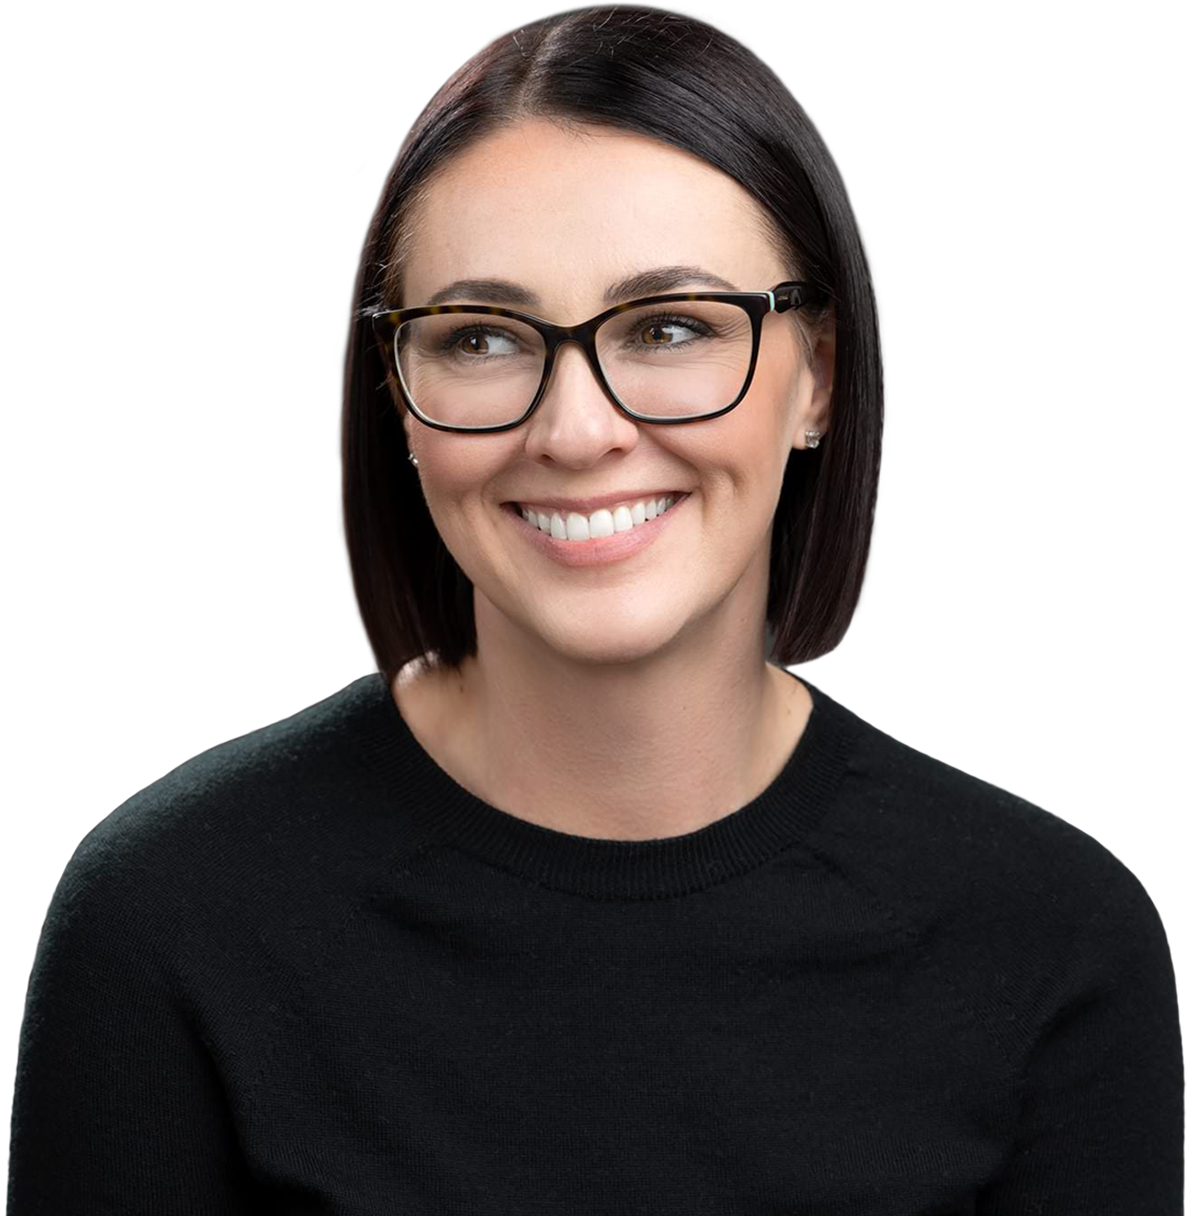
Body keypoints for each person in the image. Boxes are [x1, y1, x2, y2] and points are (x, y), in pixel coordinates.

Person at [8, 5, 1182, 1213]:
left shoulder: (1051, 936)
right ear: (396, 401)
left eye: (669, 326)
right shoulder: (166, 917)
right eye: (480, 338)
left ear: (818, 375)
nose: (574, 431)